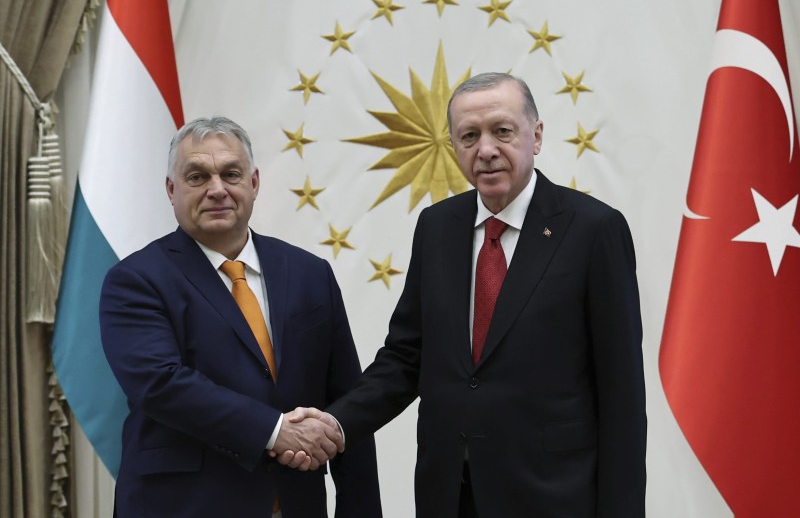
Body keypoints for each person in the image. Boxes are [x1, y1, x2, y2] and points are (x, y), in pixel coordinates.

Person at [283, 73, 646, 517]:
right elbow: (406, 357)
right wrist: (337, 424)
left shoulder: (593, 230)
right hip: (449, 495)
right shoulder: (437, 227)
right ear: (454, 147)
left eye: (503, 131)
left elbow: (622, 394)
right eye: (469, 136)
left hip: (554, 496)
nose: (486, 150)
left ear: (536, 136)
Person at [99, 116, 382, 517]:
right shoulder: (135, 280)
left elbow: (345, 400)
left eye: (231, 174)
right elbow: (161, 384)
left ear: (253, 183)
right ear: (171, 189)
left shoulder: (309, 273)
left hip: (296, 503)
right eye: (197, 176)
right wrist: (274, 431)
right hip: (183, 505)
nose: (217, 189)